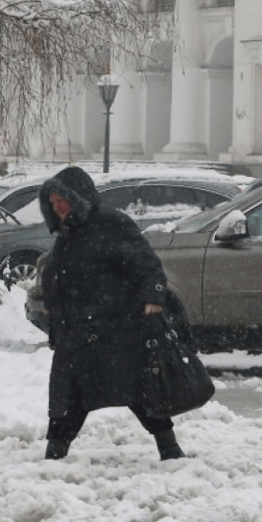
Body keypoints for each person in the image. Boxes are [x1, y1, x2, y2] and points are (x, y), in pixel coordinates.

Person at [38, 165, 184, 461]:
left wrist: (152, 297)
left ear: (78, 197)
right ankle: (54, 454)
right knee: (67, 397)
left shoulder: (111, 224)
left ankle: (170, 449)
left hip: (116, 332)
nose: (57, 208)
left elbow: (146, 264)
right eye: (52, 203)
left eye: (61, 201)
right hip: (76, 336)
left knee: (141, 393)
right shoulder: (67, 234)